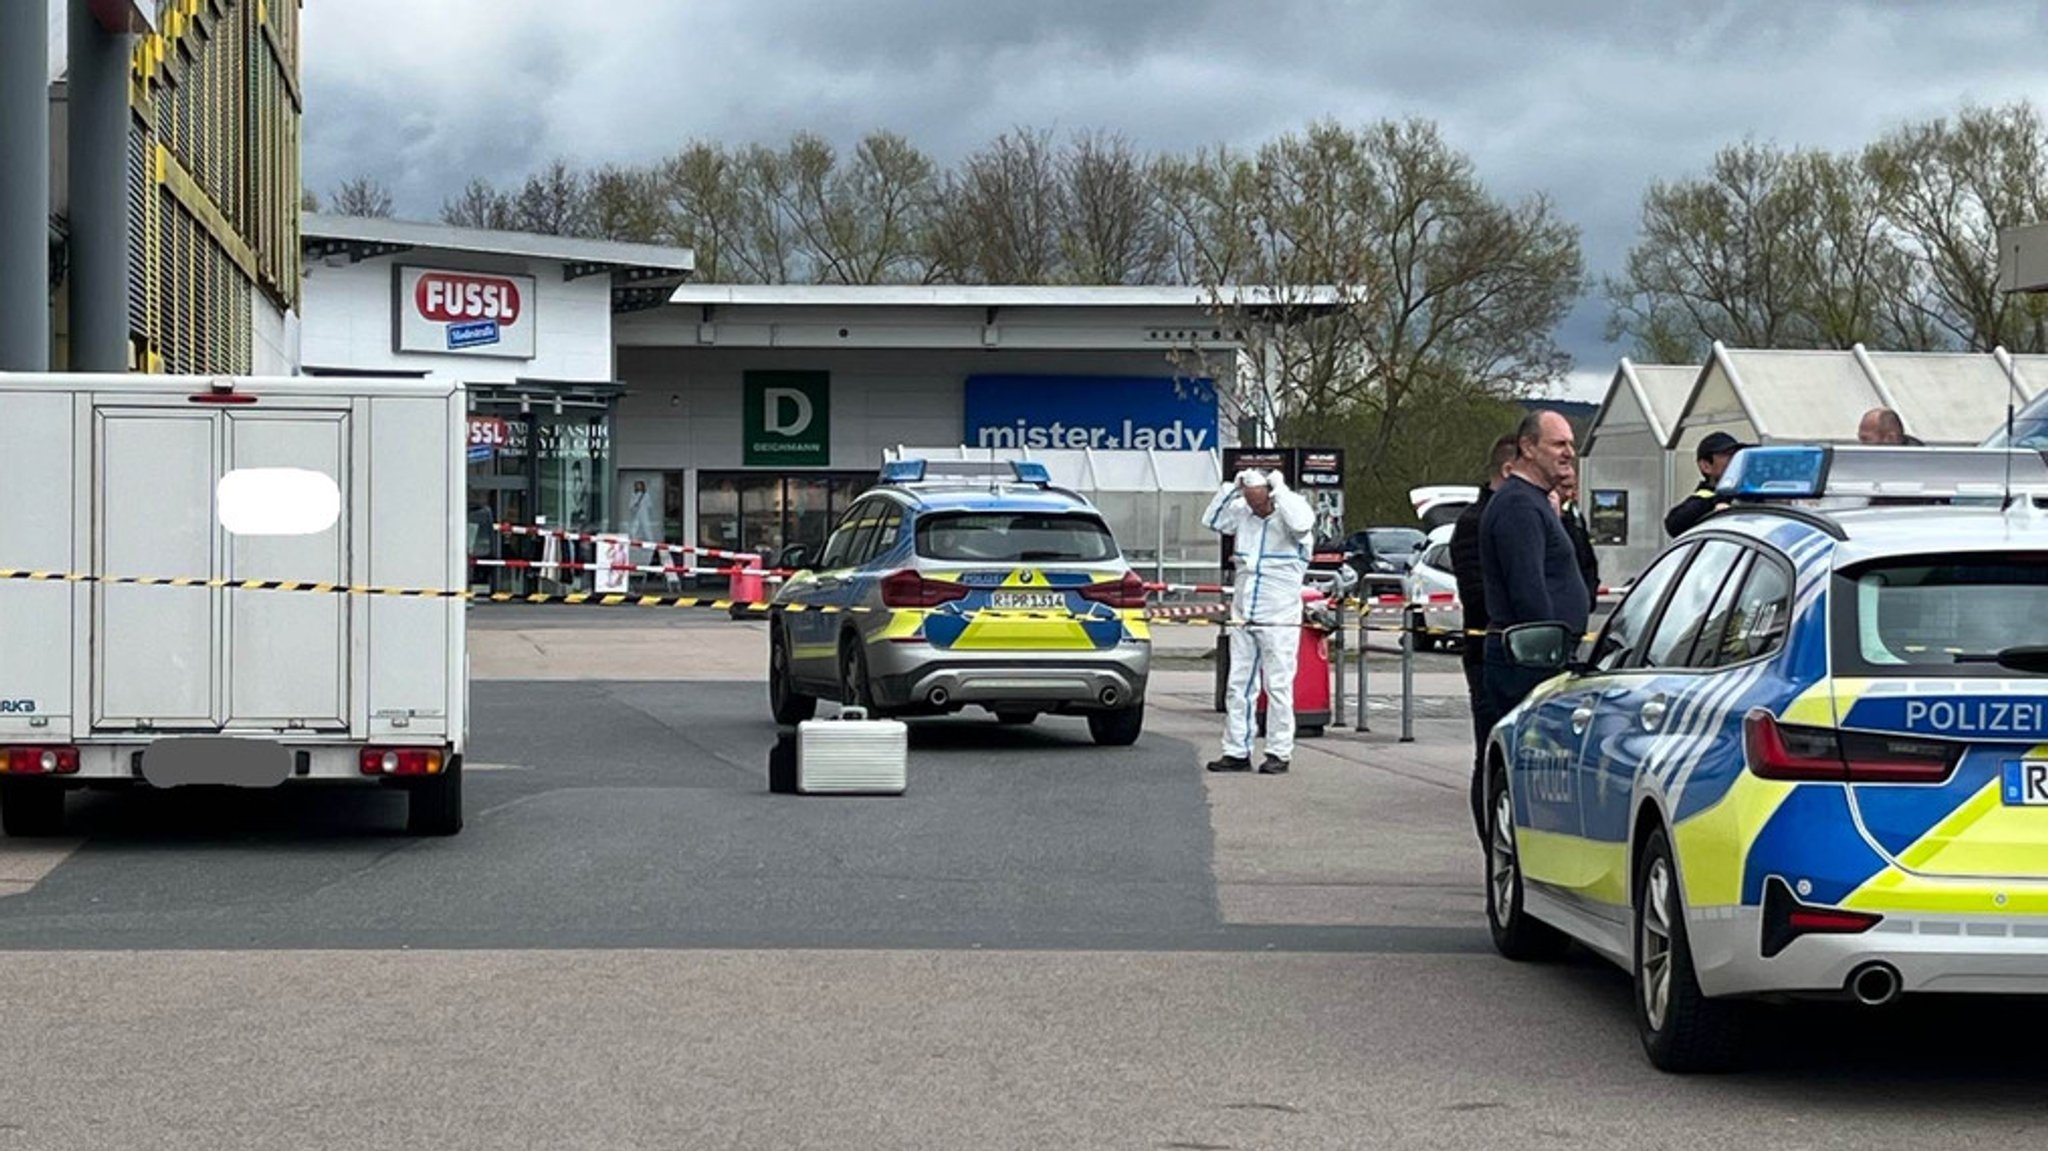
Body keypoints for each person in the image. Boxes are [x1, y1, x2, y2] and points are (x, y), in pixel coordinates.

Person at [1478, 410, 1592, 749]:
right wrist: (1550, 652)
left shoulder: (1534, 502)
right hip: (1527, 664)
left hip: (1536, 660)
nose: (1569, 452)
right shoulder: (1518, 506)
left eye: (1571, 444)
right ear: (1528, 447)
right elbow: (1528, 592)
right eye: (1558, 443)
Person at [1203, 468, 1316, 775]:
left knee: (1278, 685)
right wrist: (1232, 487)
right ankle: (1236, 750)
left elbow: (1303, 523)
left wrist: (1279, 489)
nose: (1254, 508)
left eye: (1259, 501)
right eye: (1250, 502)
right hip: (1244, 610)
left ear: (1271, 495)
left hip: (1279, 615)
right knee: (1238, 684)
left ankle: (1279, 751)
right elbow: (1212, 520)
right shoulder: (1243, 514)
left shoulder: (1292, 514)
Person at [1453, 433, 1519, 839]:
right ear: (1509, 471)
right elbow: (1482, 596)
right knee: (1492, 756)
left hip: (1527, 652)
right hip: (1490, 653)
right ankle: (1493, 847)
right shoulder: (1477, 523)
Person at [1664, 431, 1749, 538]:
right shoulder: (1704, 499)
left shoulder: (1750, 492)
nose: (1733, 460)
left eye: (1736, 454)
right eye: (1725, 455)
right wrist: (1718, 501)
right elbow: (1674, 524)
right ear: (1706, 466)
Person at [1555, 467, 1600, 614]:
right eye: (1564, 487)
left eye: (1572, 487)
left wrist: (1589, 596)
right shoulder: (1545, 515)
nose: (1569, 494)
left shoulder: (1575, 516)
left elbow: (1587, 559)